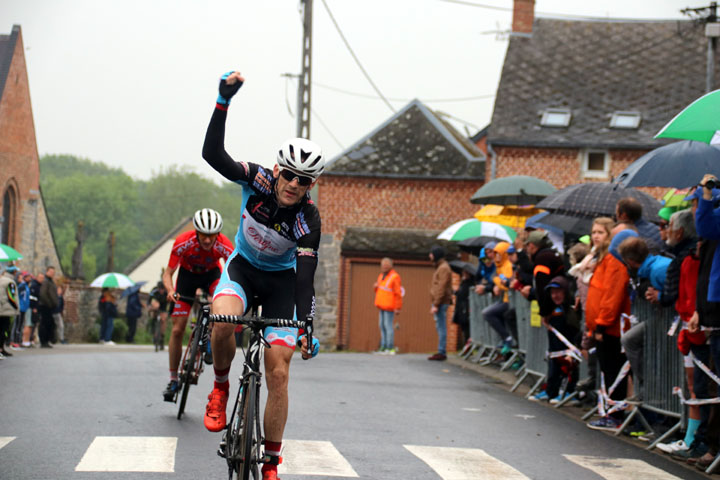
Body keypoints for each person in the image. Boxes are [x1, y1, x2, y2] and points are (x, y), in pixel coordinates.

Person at [200, 70, 322, 480]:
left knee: (279, 371)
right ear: (277, 170)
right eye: (288, 174)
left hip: (280, 285)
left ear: (310, 186)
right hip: (243, 270)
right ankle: (220, 387)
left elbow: (305, 275)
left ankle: (271, 463)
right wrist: (223, 102)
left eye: (303, 181)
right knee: (222, 323)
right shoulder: (257, 178)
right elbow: (213, 156)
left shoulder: (308, 219)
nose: (293, 184)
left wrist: (305, 323)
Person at [161, 208, 233, 401]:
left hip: (212, 276)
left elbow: (233, 274)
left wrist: (224, 297)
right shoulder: (183, 242)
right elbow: (168, 273)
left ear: (217, 234)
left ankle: (209, 337)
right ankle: (173, 378)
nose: (208, 240)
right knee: (177, 330)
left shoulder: (224, 245)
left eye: (211, 236)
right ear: (196, 232)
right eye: (203, 235)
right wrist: (169, 290)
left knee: (219, 304)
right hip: (187, 277)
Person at [585, 229, 635, 431]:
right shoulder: (606, 260)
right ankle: (611, 411)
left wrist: (602, 324)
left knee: (613, 370)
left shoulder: (615, 263)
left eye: (602, 233)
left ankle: (615, 415)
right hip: (606, 325)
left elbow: (611, 296)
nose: (597, 237)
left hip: (611, 328)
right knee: (609, 371)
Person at [617, 236, 671, 400]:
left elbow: (679, 294)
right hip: (662, 318)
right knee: (632, 340)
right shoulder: (653, 267)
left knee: (630, 340)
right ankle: (648, 387)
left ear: (630, 260)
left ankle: (650, 388)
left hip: (672, 320)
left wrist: (660, 296)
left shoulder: (658, 269)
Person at [530, 276, 580, 404]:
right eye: (552, 293)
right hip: (554, 349)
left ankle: (569, 393)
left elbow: (575, 331)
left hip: (569, 350)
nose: (555, 295)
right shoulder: (551, 309)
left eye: (558, 292)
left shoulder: (570, 310)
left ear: (565, 292)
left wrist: (573, 351)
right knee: (553, 370)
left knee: (569, 371)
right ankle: (550, 391)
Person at [482, 241, 515, 353]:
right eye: (494, 254)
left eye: (498, 254)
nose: (496, 257)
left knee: (488, 313)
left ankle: (507, 338)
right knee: (492, 313)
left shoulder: (508, 266)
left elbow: (508, 285)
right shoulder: (499, 266)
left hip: (510, 300)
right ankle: (505, 339)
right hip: (504, 299)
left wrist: (497, 282)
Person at [373, 257, 402, 355]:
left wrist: (397, 307)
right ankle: (383, 346)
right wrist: (375, 288)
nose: (384, 267)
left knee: (388, 326)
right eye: (383, 265)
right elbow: (381, 290)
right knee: (382, 325)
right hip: (381, 305)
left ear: (391, 266)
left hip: (390, 306)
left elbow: (398, 293)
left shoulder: (394, 277)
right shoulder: (381, 276)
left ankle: (390, 348)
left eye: (386, 265)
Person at [428, 245, 452, 361]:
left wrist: (436, 304)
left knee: (441, 327)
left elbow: (441, 287)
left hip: (441, 302)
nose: (430, 256)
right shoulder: (440, 267)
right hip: (439, 302)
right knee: (439, 326)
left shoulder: (443, 268)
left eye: (432, 254)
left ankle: (441, 351)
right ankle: (440, 350)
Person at [0, 265, 19, 359]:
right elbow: (11, 297)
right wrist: (16, 307)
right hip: (6, 310)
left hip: (2, 308)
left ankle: (1, 349)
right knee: (5, 330)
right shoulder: (9, 282)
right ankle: (1, 349)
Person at [38, 266, 59, 348]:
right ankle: (44, 341)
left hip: (49, 307)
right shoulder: (46, 281)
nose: (52, 273)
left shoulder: (50, 281)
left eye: (53, 272)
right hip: (45, 306)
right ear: (47, 272)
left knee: (50, 324)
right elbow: (43, 294)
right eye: (50, 272)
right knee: (45, 324)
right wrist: (49, 303)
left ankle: (47, 340)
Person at [148, 280, 170, 349]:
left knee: (163, 320)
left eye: (162, 289)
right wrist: (149, 307)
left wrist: (168, 312)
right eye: (160, 289)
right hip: (156, 308)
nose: (161, 291)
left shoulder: (167, 293)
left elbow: (171, 302)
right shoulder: (154, 292)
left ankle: (162, 338)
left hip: (163, 308)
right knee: (156, 306)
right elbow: (149, 301)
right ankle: (154, 334)